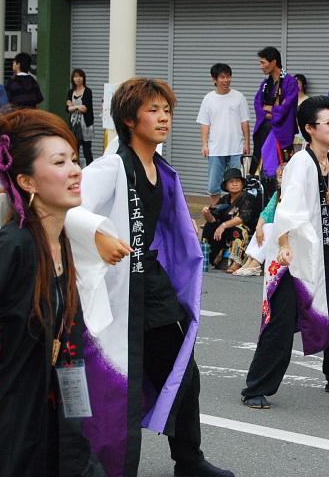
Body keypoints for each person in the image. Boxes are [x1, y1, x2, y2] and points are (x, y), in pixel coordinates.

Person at [64, 78, 234, 476]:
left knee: (181, 372)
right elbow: (68, 209)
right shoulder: (111, 166)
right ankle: (97, 459)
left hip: (150, 284)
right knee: (112, 376)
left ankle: (188, 460)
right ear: (128, 118)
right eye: (153, 110)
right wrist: (100, 235)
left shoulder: (159, 168)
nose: (163, 118)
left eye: (167, 110)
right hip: (117, 289)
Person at [0, 109, 117, 476]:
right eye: (60, 161)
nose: (76, 170)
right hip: (6, 428)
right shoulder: (12, 246)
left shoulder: (61, 245)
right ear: (27, 181)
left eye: (75, 159)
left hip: (51, 424)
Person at [240, 96, 329, 409]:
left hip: (326, 250)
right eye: (328, 123)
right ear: (309, 128)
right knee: (280, 321)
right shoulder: (301, 164)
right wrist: (286, 246)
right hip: (294, 257)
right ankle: (256, 387)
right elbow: (287, 208)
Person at [198, 63, 251, 205]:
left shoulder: (239, 97)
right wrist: (204, 145)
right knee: (214, 185)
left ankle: (234, 213)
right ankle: (216, 214)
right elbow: (205, 124)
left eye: (228, 76)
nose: (226, 80)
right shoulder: (208, 99)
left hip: (236, 148)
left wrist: (247, 143)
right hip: (215, 149)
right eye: (222, 77)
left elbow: (245, 122)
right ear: (214, 79)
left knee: (236, 184)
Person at [201, 167, 260, 273]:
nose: (235, 184)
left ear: (242, 184)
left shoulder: (248, 198)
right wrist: (206, 214)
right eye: (231, 182)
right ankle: (207, 257)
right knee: (208, 226)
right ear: (226, 185)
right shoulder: (224, 199)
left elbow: (243, 218)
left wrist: (223, 225)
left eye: (237, 181)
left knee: (238, 229)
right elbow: (213, 219)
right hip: (227, 230)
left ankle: (237, 262)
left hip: (245, 228)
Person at [253, 47, 298, 177]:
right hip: (264, 129)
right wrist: (269, 111)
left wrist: (270, 109)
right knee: (260, 167)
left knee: (278, 171)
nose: (261, 66)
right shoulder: (266, 84)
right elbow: (257, 104)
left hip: (281, 131)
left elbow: (287, 107)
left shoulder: (290, 82)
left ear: (273, 62)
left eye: (263, 62)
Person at [234, 164, 286, 277]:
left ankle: (256, 263)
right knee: (264, 226)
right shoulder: (278, 193)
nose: (280, 179)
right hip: (276, 226)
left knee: (270, 227)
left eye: (283, 176)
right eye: (279, 176)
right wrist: (258, 228)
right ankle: (249, 262)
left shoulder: (293, 193)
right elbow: (267, 211)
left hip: (287, 228)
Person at [66, 68, 95, 167]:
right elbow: (67, 109)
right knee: (74, 148)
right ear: (72, 79)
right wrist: (77, 107)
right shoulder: (71, 92)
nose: (78, 79)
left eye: (80, 76)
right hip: (73, 124)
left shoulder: (87, 91)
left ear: (83, 78)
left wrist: (73, 107)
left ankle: (91, 169)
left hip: (85, 124)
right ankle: (76, 168)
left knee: (87, 150)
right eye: (75, 76)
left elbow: (85, 108)